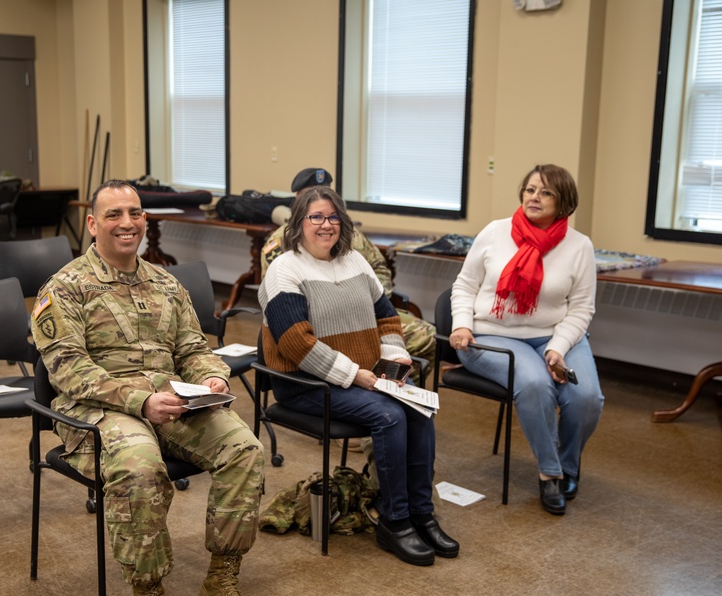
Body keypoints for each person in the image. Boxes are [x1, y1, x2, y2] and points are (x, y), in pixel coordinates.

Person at [31, 180, 266, 596]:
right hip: (98, 408)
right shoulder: (64, 288)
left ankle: (220, 586)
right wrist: (140, 401)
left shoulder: (166, 283)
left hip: (170, 399)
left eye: (135, 213)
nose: (127, 223)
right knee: (139, 467)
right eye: (113, 214)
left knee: (243, 448)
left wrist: (212, 380)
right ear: (93, 224)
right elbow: (69, 371)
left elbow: (193, 350)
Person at [259, 185, 458, 567]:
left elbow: (387, 317)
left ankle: (422, 513)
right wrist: (356, 376)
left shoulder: (354, 261)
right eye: (315, 217)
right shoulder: (284, 270)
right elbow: (297, 345)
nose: (326, 225)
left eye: (333, 217)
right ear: (299, 223)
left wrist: (396, 361)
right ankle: (394, 520)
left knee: (419, 409)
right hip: (307, 383)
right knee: (389, 415)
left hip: (364, 374)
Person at [448, 164, 604, 516]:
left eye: (546, 192)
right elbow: (464, 286)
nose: (534, 197)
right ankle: (550, 474)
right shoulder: (495, 232)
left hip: (557, 335)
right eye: (530, 189)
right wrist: (462, 324)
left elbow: (581, 309)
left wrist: (556, 348)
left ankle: (569, 466)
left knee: (586, 397)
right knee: (535, 384)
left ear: (563, 202)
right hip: (492, 335)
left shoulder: (579, 246)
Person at [262, 168, 436, 381]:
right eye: (311, 195)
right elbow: (281, 308)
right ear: (298, 199)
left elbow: (380, 268)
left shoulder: (347, 233)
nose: (326, 223)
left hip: (364, 310)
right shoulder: (283, 243)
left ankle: (400, 383)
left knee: (427, 336)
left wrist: (365, 297)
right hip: (321, 319)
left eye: (325, 192)